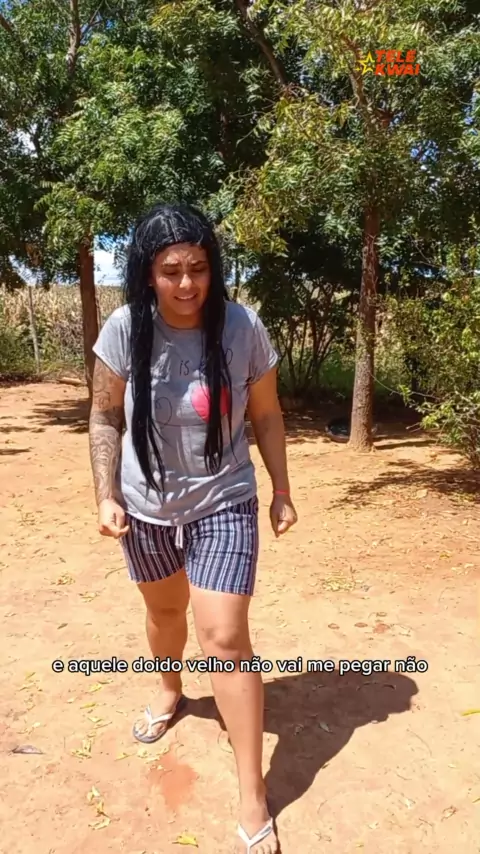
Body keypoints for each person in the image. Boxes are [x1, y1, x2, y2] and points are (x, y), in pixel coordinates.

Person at [88, 202, 297, 854]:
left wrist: (281, 489)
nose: (186, 284)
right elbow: (103, 416)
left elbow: (266, 414)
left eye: (198, 268)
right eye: (171, 270)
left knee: (225, 638)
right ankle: (170, 689)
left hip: (224, 498)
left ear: (214, 268)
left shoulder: (240, 327)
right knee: (165, 613)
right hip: (145, 505)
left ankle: (251, 792)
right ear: (148, 273)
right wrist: (105, 494)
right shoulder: (125, 328)